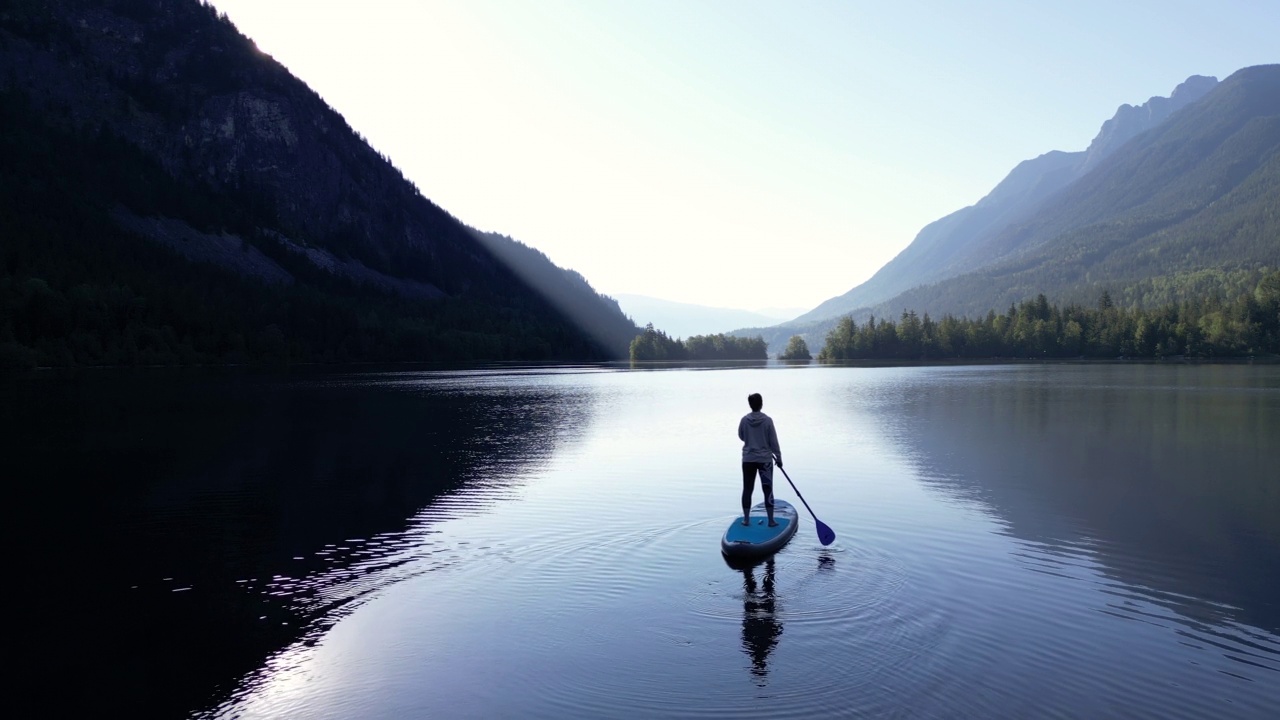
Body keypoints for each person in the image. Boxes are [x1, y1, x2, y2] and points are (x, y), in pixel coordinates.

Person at [738, 392, 782, 527]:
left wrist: (752, 440)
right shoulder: (768, 421)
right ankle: (771, 520)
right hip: (764, 461)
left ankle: (746, 519)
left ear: (750, 405)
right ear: (761, 404)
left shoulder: (744, 420)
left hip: (748, 459)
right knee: (767, 489)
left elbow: (741, 436)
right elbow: (773, 441)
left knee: (747, 489)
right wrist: (779, 457)